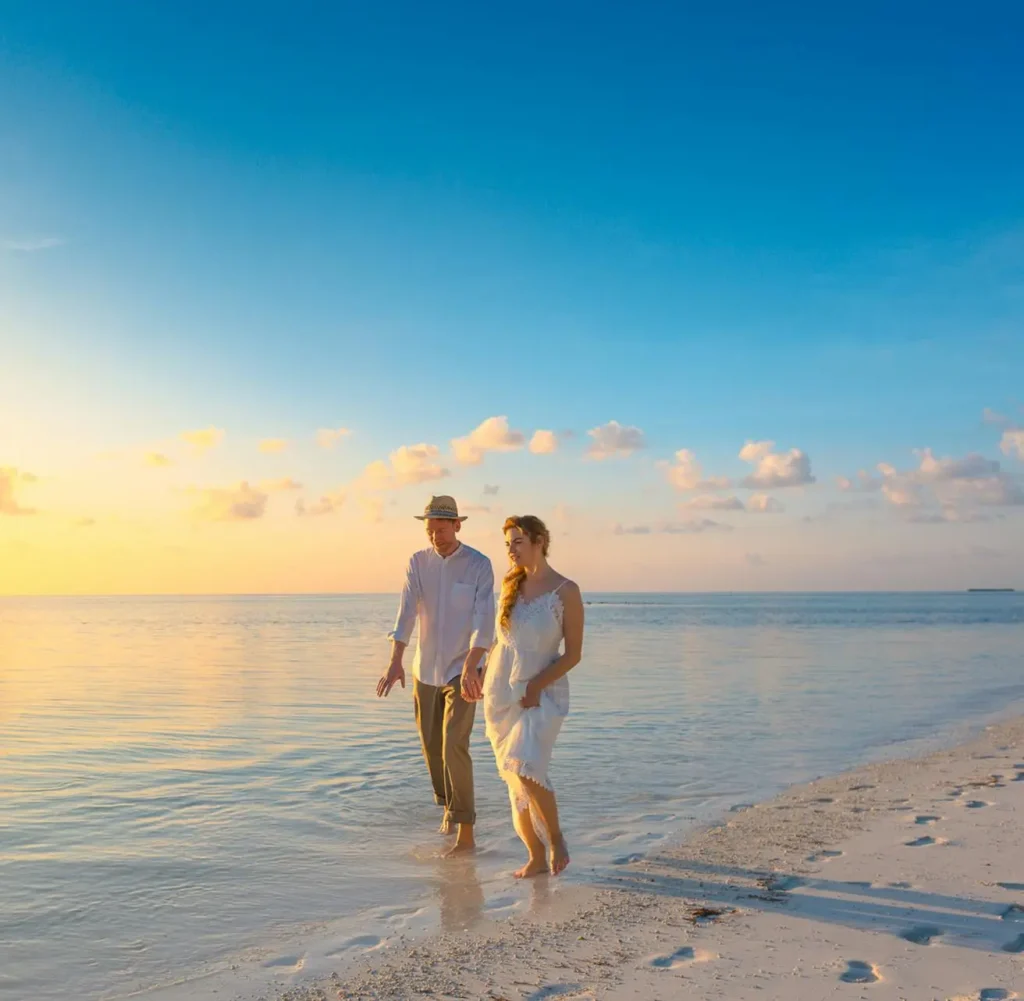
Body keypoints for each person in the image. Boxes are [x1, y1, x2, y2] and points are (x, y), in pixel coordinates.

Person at [376, 495, 495, 856]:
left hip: (464, 670)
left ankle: (466, 831)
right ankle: (448, 806)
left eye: (441, 530)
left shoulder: (478, 565)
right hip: (425, 670)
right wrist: (395, 659)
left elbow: (485, 617)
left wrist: (475, 661)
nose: (435, 537)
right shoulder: (418, 562)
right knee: (432, 748)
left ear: (457, 525)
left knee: (453, 744)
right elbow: (406, 613)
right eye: (430, 531)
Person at [478, 515, 584, 878]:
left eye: (517, 542)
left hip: (543, 692)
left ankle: (556, 839)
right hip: (501, 693)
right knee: (513, 778)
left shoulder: (566, 590)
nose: (510, 550)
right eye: (507, 543)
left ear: (539, 540)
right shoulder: (511, 586)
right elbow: (499, 642)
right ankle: (535, 856)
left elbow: (573, 654)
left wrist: (536, 685)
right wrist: (475, 672)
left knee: (525, 766)